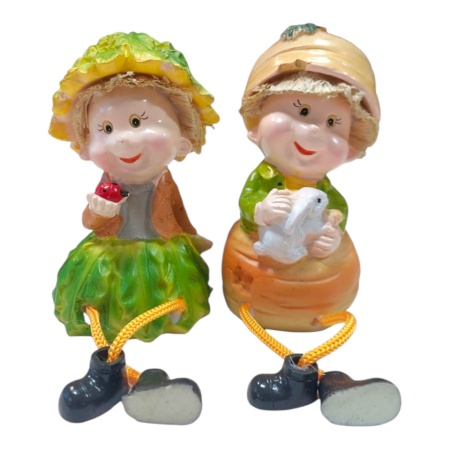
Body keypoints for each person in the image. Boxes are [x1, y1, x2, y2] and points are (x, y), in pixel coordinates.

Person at [222, 23, 401, 426]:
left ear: (351, 147)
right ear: (255, 123)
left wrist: (331, 237)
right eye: (301, 111)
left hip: (321, 301)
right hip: (257, 283)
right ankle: (313, 380)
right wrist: (260, 211)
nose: (314, 133)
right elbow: (248, 202)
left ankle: (319, 381)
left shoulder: (326, 193)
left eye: (334, 123)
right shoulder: (264, 180)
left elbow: (337, 210)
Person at [49, 32, 218, 424]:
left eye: (138, 121)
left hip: (162, 251)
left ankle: (154, 337)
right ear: (86, 143)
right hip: (109, 253)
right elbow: (90, 221)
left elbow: (175, 217)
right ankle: (113, 368)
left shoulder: (163, 181)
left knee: (172, 294)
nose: (123, 139)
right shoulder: (107, 185)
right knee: (99, 297)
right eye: (106, 129)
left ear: (183, 138)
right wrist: (98, 211)